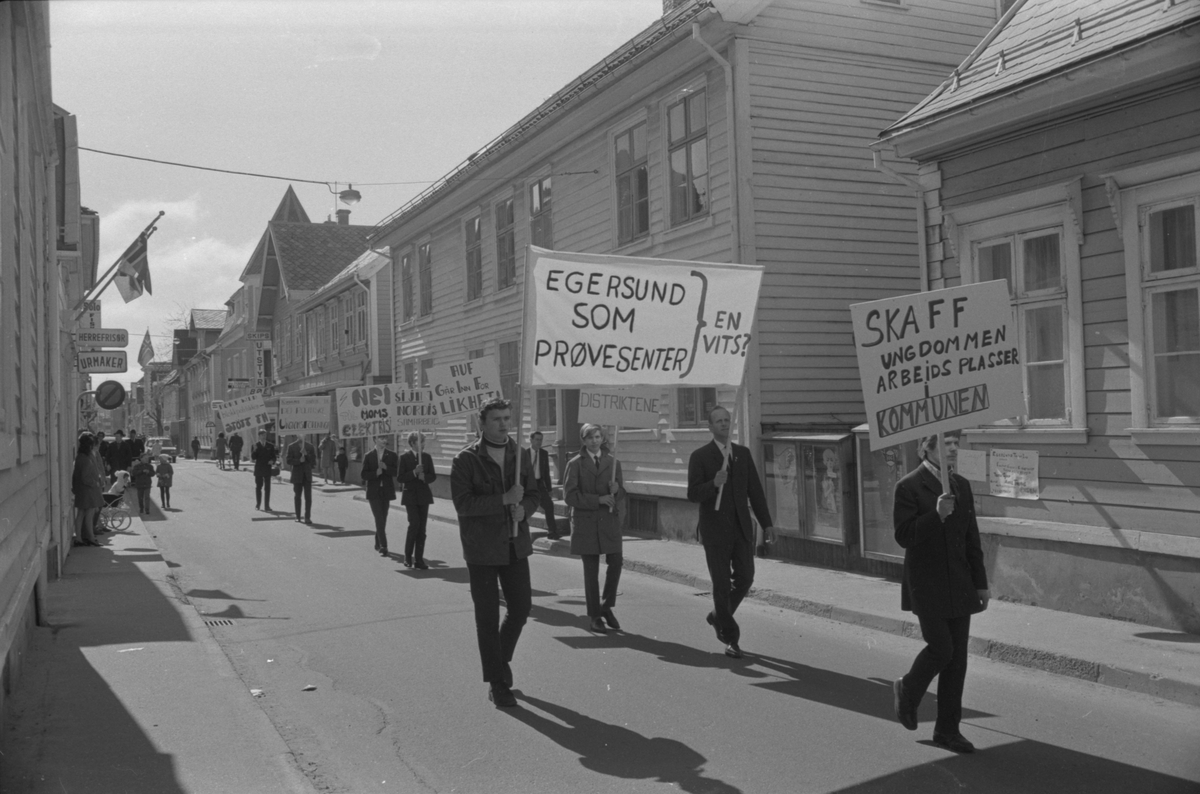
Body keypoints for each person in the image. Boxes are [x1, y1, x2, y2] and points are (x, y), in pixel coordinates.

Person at [892, 431, 989, 754]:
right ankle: (908, 690)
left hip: (959, 584)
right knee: (941, 649)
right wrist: (936, 515)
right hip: (927, 584)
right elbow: (904, 536)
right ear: (925, 448)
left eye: (955, 443)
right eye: (945, 443)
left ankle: (948, 731)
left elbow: (971, 536)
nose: (952, 449)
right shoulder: (908, 486)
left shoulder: (961, 485)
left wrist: (981, 582)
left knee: (957, 661)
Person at [450, 398, 538, 708]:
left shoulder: (520, 455)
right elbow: (463, 505)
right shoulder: (466, 460)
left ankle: (500, 661)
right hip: (482, 549)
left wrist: (524, 510)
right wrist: (503, 499)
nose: (503, 424)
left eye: (506, 418)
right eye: (497, 419)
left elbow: (534, 494)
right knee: (487, 618)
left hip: (515, 544)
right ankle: (497, 683)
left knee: (521, 607)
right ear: (482, 423)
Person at [686, 405, 775, 659]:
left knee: (746, 577)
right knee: (722, 585)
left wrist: (766, 523)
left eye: (727, 420)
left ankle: (717, 616)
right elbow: (692, 493)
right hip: (715, 531)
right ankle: (731, 638)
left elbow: (755, 492)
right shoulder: (700, 456)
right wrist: (712, 485)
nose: (725, 424)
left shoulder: (743, 454)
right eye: (719, 421)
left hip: (741, 529)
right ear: (710, 427)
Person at [564, 424, 625, 633]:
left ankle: (607, 606)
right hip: (586, 523)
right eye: (590, 437)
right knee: (591, 571)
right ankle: (595, 615)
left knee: (616, 562)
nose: (595, 441)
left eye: (598, 436)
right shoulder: (575, 464)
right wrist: (598, 499)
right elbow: (569, 496)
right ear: (583, 440)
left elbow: (621, 494)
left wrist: (617, 491)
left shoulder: (613, 462)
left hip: (608, 522)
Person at [397, 431, 437, 568]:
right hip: (410, 497)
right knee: (414, 525)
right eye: (421, 442)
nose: (424, 444)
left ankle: (419, 559)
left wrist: (424, 478)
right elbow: (400, 478)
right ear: (413, 443)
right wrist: (414, 473)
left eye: (424, 441)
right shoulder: (404, 458)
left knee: (422, 529)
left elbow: (433, 476)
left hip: (423, 496)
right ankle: (408, 557)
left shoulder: (426, 457)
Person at [361, 435, 399, 557]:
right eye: (381, 438)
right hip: (374, 492)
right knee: (379, 518)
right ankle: (384, 545)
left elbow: (397, 472)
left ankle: (378, 541)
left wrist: (386, 468)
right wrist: (375, 473)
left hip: (386, 491)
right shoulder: (369, 455)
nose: (384, 440)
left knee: (383, 517)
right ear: (375, 440)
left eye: (385, 438)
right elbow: (363, 475)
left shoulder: (392, 455)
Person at [522, 431, 562, 540]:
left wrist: (549, 489)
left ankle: (552, 532)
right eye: (537, 439)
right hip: (527, 485)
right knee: (525, 509)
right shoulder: (524, 454)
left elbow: (546, 473)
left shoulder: (544, 453)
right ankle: (522, 533)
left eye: (541, 440)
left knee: (549, 506)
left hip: (539, 484)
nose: (539, 442)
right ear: (531, 440)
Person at [72, 433, 104, 546]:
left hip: (83, 490)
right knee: (89, 514)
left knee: (81, 513)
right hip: (87, 490)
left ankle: (79, 538)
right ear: (89, 445)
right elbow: (85, 478)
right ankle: (90, 537)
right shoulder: (85, 458)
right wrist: (95, 482)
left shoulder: (81, 456)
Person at [286, 434, 318, 524]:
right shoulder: (291, 446)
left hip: (307, 475)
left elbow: (313, 461)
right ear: (297, 435)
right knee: (297, 496)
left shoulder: (310, 446)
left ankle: (307, 517)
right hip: (297, 474)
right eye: (300, 434)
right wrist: (298, 461)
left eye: (304, 434)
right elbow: (288, 460)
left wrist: (306, 454)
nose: (302, 436)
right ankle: (298, 516)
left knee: (308, 497)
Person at [251, 429, 277, 511]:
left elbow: (274, 457)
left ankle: (267, 506)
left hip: (267, 469)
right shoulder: (255, 445)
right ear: (259, 436)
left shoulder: (270, 445)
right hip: (259, 469)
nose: (264, 436)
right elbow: (253, 457)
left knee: (267, 488)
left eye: (265, 435)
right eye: (262, 435)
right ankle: (258, 505)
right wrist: (254, 450)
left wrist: (272, 461)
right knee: (258, 487)